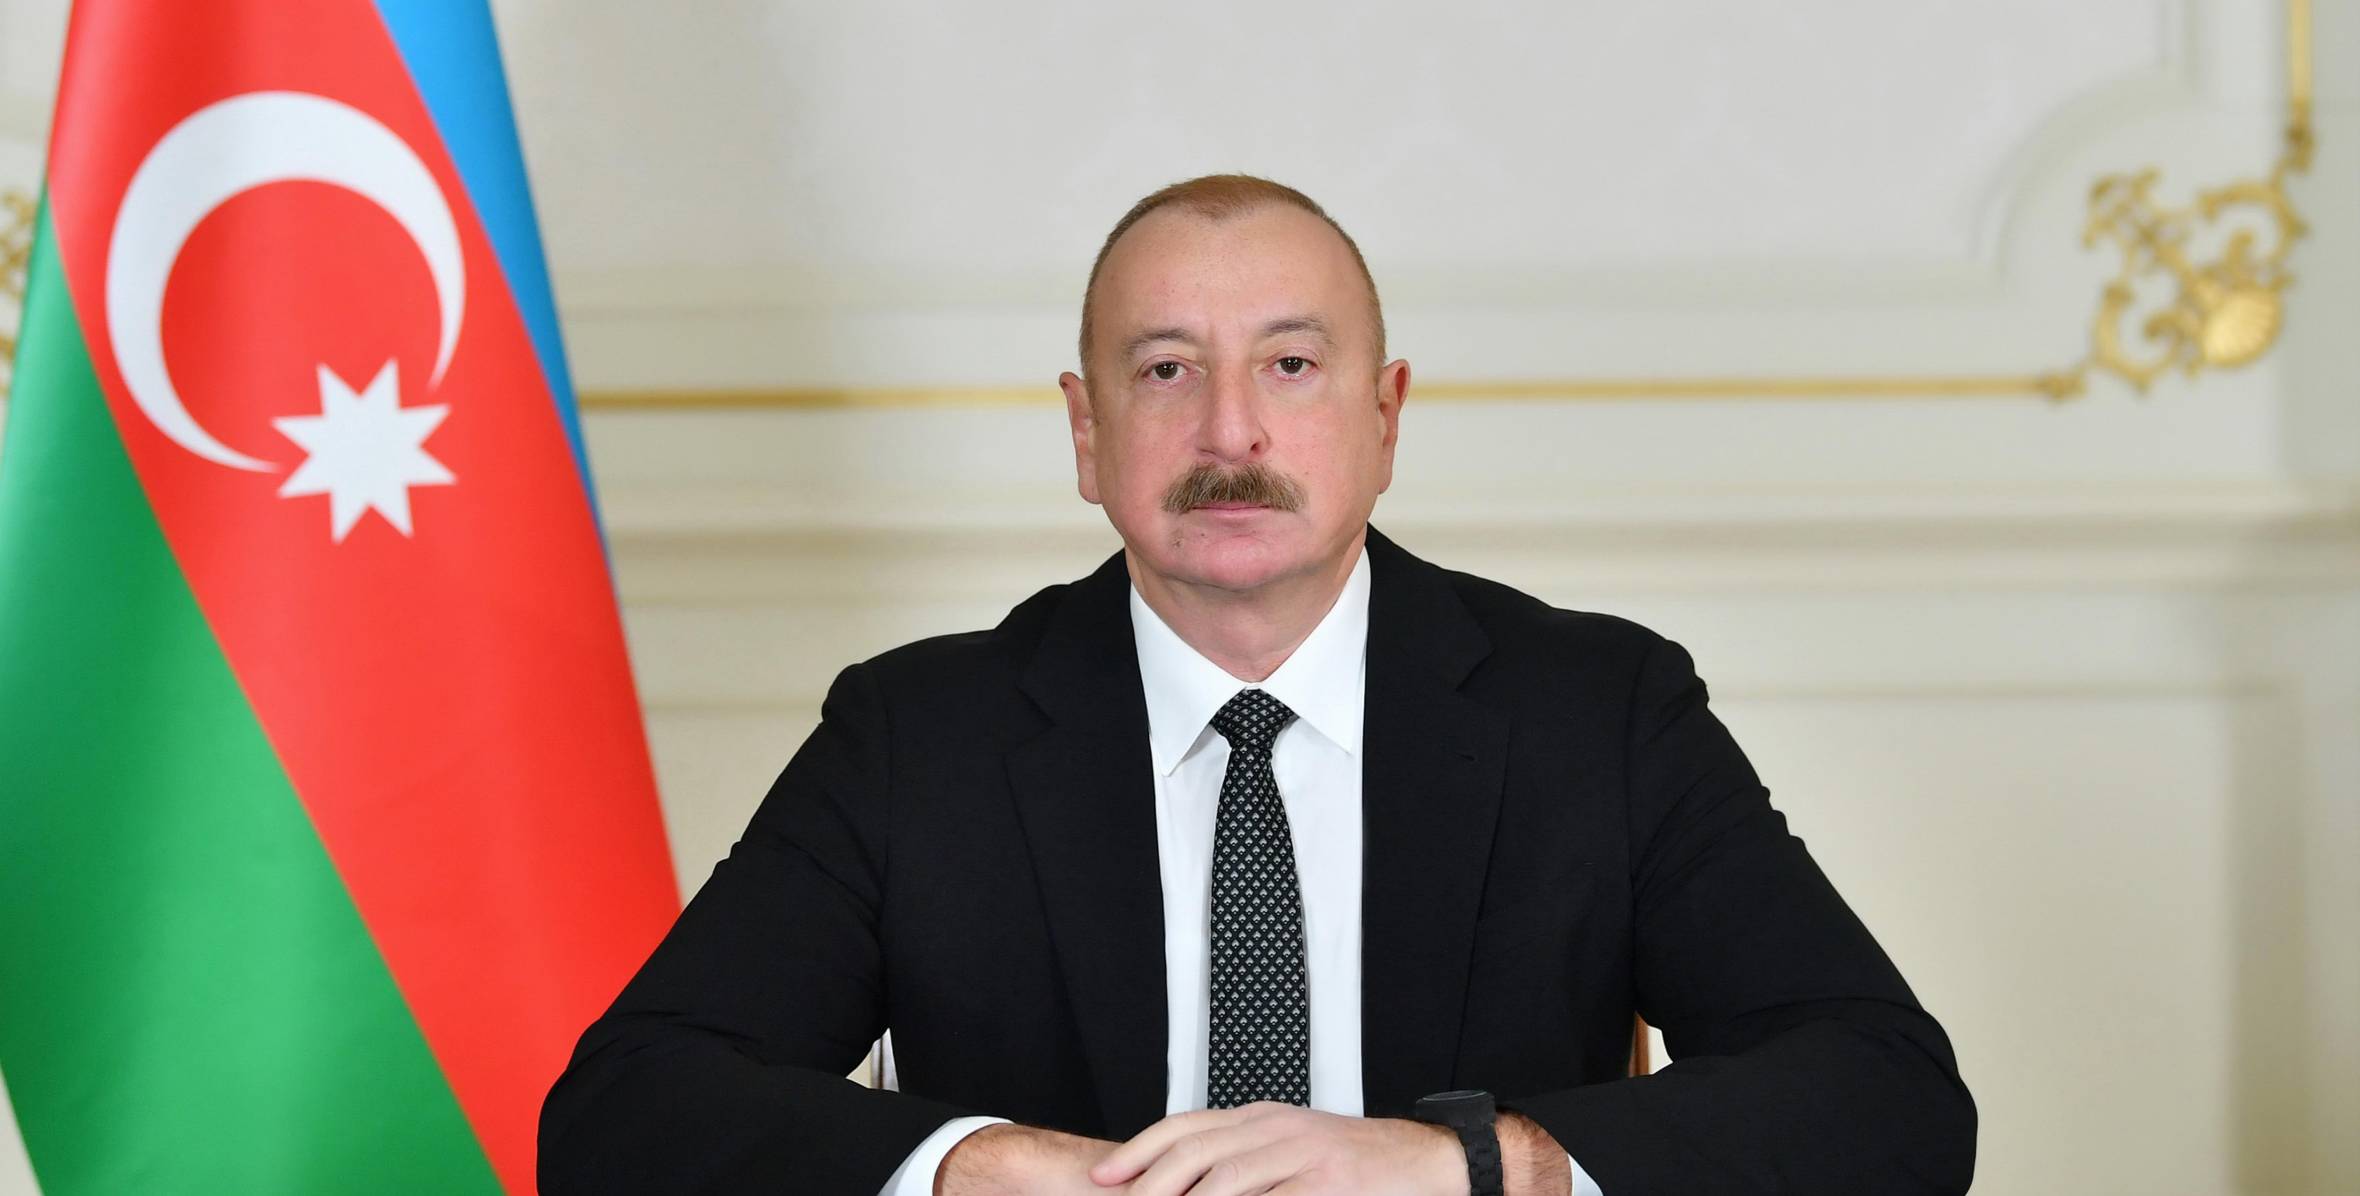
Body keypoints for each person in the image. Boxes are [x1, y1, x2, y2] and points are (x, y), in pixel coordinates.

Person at [539, 175, 1976, 1195]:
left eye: (1290, 364)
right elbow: (621, 1114)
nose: (1231, 431)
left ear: (1385, 415)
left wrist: (1474, 1168)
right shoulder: (919, 736)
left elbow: (1887, 1094)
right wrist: (977, 1166)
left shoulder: (1598, 712)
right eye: (1167, 371)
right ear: (1087, 434)